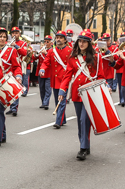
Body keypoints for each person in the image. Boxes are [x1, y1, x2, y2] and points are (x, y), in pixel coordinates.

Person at [57, 31, 104, 160]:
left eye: (84, 41)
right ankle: (85, 143)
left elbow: (100, 76)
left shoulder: (96, 57)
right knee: (80, 121)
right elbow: (67, 75)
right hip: (77, 93)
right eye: (80, 41)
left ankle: (83, 148)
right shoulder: (73, 57)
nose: (81, 43)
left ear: (89, 43)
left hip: (90, 93)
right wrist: (62, 90)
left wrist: (105, 88)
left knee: (85, 119)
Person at [39, 30, 71, 128]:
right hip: (55, 79)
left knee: (62, 99)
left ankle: (58, 121)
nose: (58, 39)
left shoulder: (70, 51)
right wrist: (42, 69)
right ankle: (63, 118)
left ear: (65, 40)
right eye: (57, 37)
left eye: (61, 38)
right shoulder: (52, 51)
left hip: (65, 79)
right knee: (58, 100)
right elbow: (46, 61)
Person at [6, 27, 28, 117]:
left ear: (19, 34)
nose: (14, 35)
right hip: (8, 67)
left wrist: (16, 46)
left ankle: (14, 108)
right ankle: (11, 107)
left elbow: (24, 53)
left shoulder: (23, 43)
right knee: (9, 88)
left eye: (16, 33)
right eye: (13, 33)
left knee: (16, 87)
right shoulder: (7, 43)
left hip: (17, 66)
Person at [36, 35, 54, 110]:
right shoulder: (42, 50)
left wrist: (46, 53)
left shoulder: (52, 51)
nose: (46, 43)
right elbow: (35, 57)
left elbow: (52, 60)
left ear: (51, 43)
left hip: (49, 73)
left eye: (48, 42)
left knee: (48, 89)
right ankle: (43, 102)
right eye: (45, 41)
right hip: (40, 73)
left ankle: (46, 103)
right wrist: (34, 54)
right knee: (42, 89)